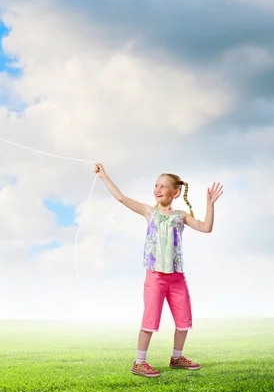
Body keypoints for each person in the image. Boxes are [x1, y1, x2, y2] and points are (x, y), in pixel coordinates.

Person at [93, 162, 223, 378]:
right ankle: (139, 362)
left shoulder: (180, 216)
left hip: (177, 277)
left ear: (176, 192)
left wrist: (210, 204)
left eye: (163, 186)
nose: (158, 189)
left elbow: (206, 227)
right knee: (150, 320)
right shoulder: (149, 212)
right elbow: (122, 198)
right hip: (155, 276)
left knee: (184, 322)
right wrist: (104, 176)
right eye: (156, 185)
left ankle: (177, 357)